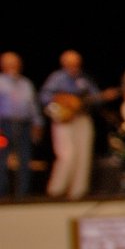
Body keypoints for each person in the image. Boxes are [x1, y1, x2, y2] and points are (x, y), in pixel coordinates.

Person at [40, 50, 104, 200]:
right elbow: (44, 96)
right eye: (70, 63)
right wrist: (64, 100)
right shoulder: (57, 78)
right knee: (67, 154)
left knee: (83, 154)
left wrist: (96, 98)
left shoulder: (84, 78)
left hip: (82, 118)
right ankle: (56, 189)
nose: (73, 66)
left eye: (75, 63)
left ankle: (78, 191)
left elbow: (96, 97)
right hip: (64, 119)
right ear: (64, 63)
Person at [0, 51, 43, 200]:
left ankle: (22, 195)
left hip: (24, 126)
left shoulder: (26, 83)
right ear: (3, 66)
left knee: (24, 160)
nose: (13, 67)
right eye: (10, 64)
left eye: (16, 64)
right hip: (3, 126)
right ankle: (2, 195)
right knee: (2, 161)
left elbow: (33, 106)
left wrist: (37, 124)